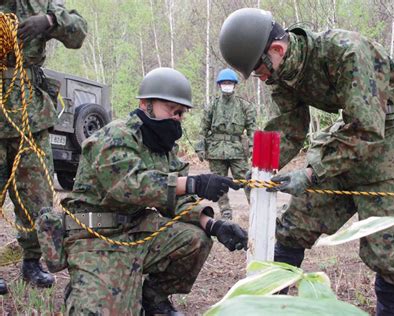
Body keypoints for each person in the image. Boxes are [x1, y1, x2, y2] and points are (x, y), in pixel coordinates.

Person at [219, 8, 394, 316]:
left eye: (260, 70)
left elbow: (367, 128)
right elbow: (288, 128)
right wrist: (258, 173)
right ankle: (271, 307)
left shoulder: (346, 52)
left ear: (277, 50)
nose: (262, 78)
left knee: (392, 254)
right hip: (348, 143)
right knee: (292, 226)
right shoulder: (282, 74)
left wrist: (310, 172)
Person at [57, 67, 247, 315]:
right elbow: (128, 186)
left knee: (195, 239)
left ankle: (153, 297)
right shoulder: (115, 135)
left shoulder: (163, 147)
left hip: (135, 231)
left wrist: (213, 225)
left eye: (181, 113)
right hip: (94, 237)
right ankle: (86, 284)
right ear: (146, 104)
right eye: (171, 110)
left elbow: (179, 201)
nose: (177, 118)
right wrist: (192, 182)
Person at [0, 0, 87, 293]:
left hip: (31, 117)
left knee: (36, 196)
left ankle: (31, 262)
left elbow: (78, 33)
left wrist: (49, 21)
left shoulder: (38, 4)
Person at [195, 68, 256, 220]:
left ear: (235, 85)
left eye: (229, 83)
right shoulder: (212, 106)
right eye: (224, 83)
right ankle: (225, 211)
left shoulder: (244, 106)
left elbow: (252, 129)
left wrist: (252, 146)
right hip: (216, 150)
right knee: (218, 182)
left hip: (237, 151)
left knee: (246, 180)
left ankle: (255, 207)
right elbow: (203, 129)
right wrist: (200, 147)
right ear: (219, 85)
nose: (227, 85)